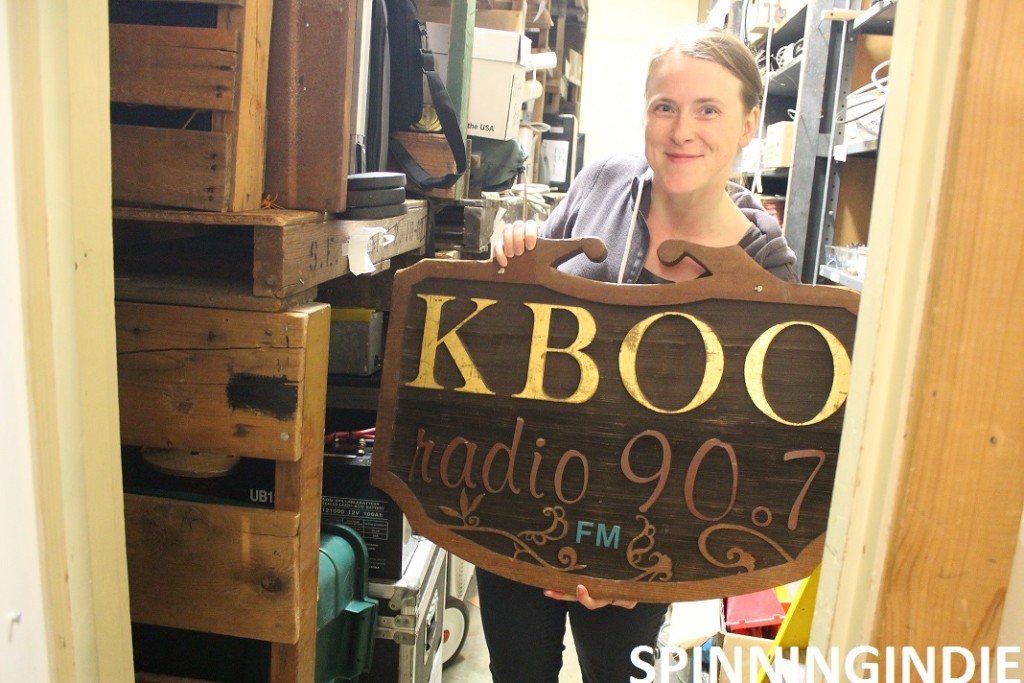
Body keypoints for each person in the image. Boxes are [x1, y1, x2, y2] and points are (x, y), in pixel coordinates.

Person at [478, 23, 800, 683]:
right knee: (515, 670)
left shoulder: (764, 261)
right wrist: (517, 247)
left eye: (708, 108)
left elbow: (748, 450)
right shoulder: (604, 180)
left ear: (746, 126)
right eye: (665, 106)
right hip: (526, 492)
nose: (682, 130)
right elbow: (539, 303)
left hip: (647, 536)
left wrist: (652, 571)